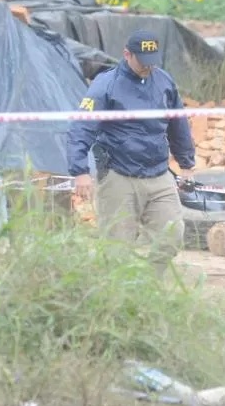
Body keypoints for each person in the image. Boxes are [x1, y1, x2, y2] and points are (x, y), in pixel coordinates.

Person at [66, 29, 196, 276]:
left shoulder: (164, 82)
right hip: (119, 175)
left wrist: (186, 164)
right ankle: (120, 297)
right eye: (142, 62)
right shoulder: (106, 85)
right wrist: (80, 171)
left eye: (152, 61)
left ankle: (148, 282)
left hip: (158, 174)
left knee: (172, 235)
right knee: (117, 249)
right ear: (127, 54)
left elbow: (179, 124)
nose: (148, 67)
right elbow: (81, 127)